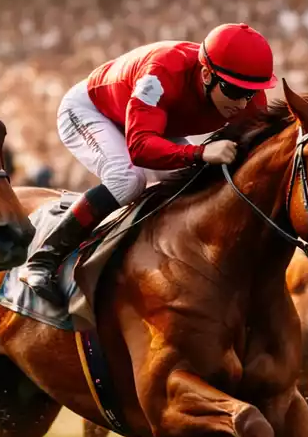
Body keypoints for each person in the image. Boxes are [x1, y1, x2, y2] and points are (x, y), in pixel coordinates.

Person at [19, 23, 275, 307]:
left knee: (196, 181)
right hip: (92, 111)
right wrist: (199, 152)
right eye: (232, 90)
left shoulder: (248, 98)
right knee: (127, 180)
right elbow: (140, 147)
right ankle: (43, 258)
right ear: (206, 74)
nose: (242, 103)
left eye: (250, 93)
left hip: (154, 122)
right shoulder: (162, 73)